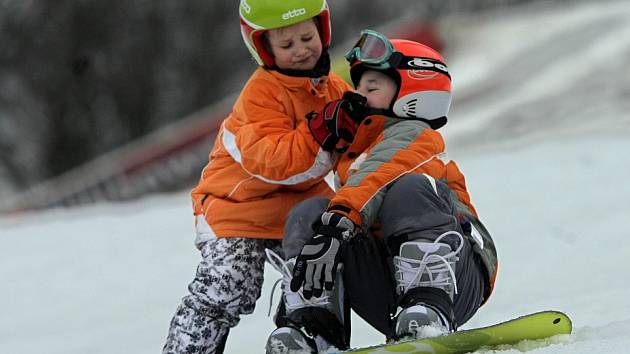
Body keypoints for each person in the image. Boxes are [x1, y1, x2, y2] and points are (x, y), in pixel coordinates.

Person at [264, 30, 499, 353]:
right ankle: (314, 327)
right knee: (309, 212)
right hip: (388, 291)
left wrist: (336, 225)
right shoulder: (354, 151)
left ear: (413, 94)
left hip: (458, 278)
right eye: (358, 86)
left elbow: (378, 177)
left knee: (407, 189)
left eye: (372, 87)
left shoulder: (418, 136)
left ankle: (428, 309)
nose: (359, 94)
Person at [161, 1, 357, 353]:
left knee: (318, 263)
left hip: (296, 205)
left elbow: (353, 156)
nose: (300, 50)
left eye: (307, 37)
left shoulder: (335, 92)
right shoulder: (261, 95)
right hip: (235, 207)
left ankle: (305, 338)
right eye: (286, 45)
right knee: (232, 283)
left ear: (323, 31)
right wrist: (319, 130)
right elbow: (276, 161)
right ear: (263, 49)